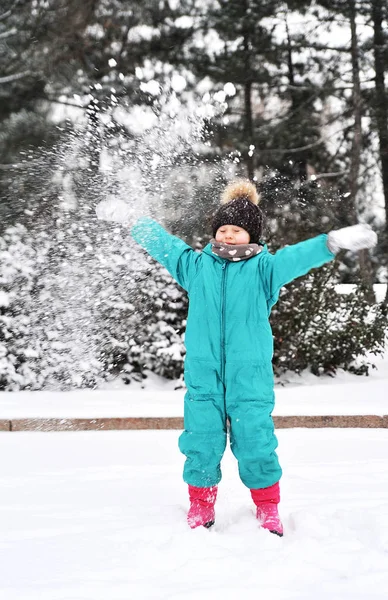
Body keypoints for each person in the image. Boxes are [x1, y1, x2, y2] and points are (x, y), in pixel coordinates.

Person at [129, 179, 377, 536]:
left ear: (253, 237)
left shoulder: (264, 270)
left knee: (256, 441)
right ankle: (201, 503)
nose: (229, 235)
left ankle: (268, 507)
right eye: (224, 229)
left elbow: (295, 257)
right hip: (204, 374)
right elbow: (165, 246)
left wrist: (330, 242)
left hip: (250, 376)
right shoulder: (196, 266)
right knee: (201, 440)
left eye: (237, 231)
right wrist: (133, 221)